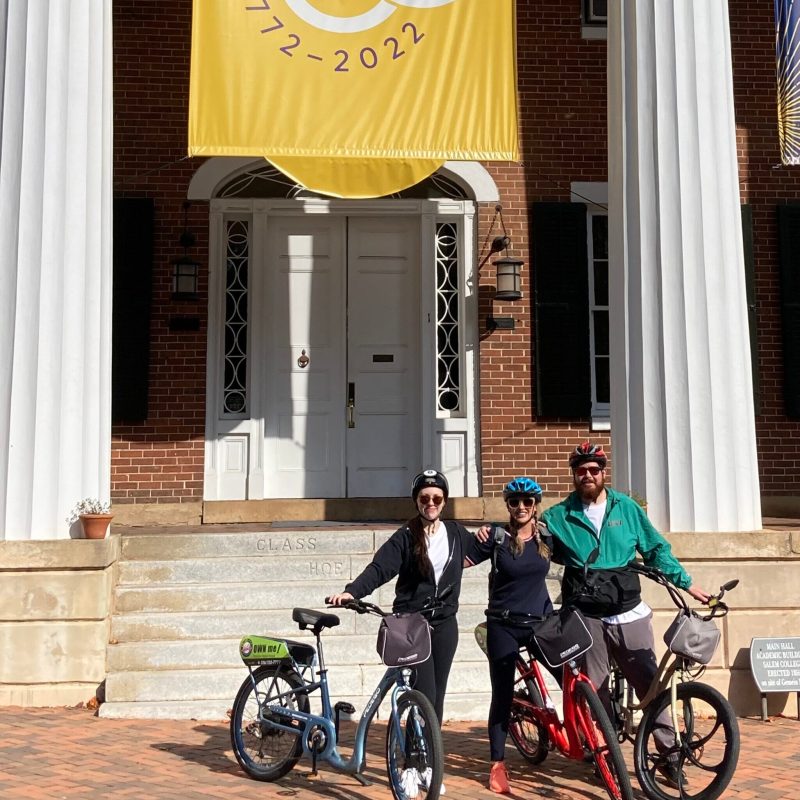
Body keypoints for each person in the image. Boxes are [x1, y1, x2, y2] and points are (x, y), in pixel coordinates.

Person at [542, 442, 711, 787]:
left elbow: (654, 549)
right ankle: (604, 758)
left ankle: (669, 756)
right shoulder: (558, 516)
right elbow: (530, 538)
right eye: (580, 470)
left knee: (650, 684)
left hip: (627, 610)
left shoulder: (627, 508)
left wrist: (686, 583)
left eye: (593, 469)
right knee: (595, 688)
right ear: (574, 475)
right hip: (585, 614)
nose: (587, 475)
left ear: (604, 473)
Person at [327, 469, 474, 730]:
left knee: (437, 695)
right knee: (424, 693)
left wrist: (498, 535)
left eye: (437, 499)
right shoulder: (406, 536)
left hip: (444, 624)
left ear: (445, 502)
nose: (430, 503)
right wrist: (353, 592)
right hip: (412, 626)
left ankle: (428, 754)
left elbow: (486, 549)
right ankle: (413, 760)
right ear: (416, 501)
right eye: (424, 498)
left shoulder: (456, 533)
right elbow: (380, 568)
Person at [465, 477, 558, 795]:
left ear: (535, 506)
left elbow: (580, 557)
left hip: (541, 622)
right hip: (503, 624)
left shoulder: (547, 536)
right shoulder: (495, 536)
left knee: (572, 674)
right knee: (501, 694)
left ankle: (588, 735)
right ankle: (498, 764)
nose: (521, 507)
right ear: (507, 505)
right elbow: (459, 560)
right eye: (514, 502)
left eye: (527, 502)